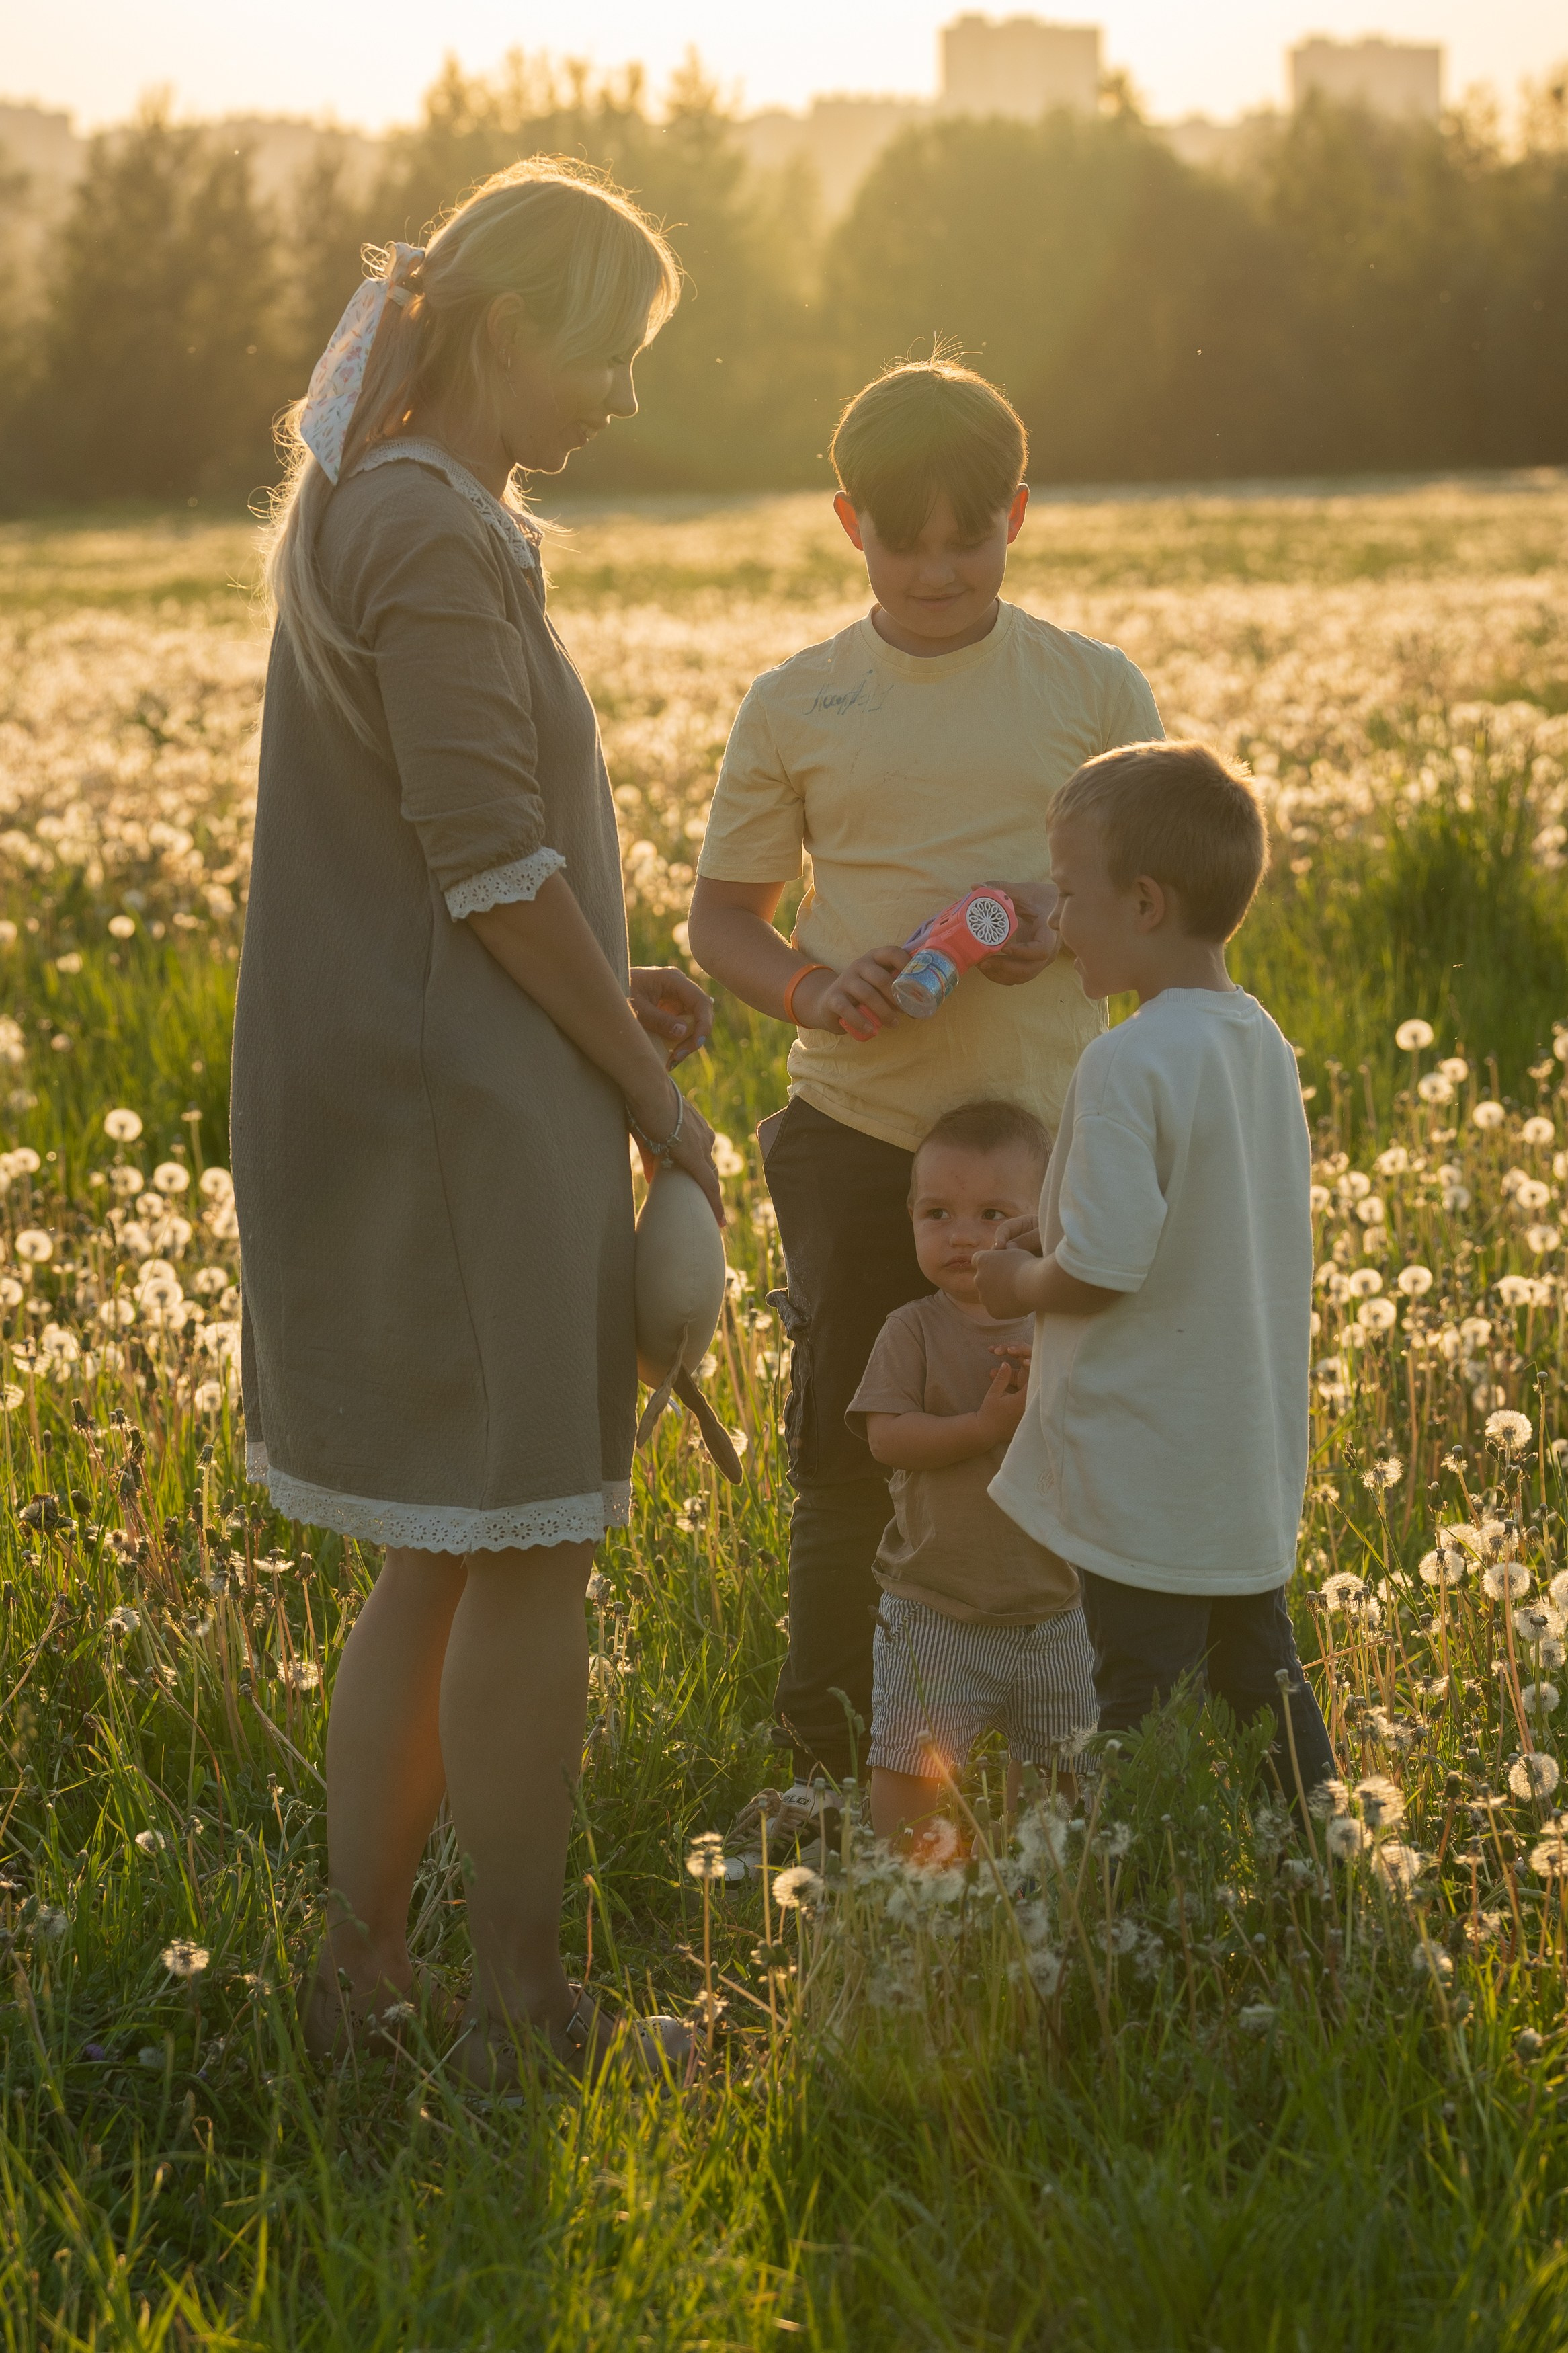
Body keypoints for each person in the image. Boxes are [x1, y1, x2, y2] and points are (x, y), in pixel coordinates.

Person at [235, 159, 722, 2082]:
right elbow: (488, 870)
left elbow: (483, 875)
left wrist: (608, 982)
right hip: (467, 1121)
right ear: (511, 328)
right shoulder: (439, 532)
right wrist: (645, 1083)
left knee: (436, 1547)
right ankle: (519, 2009)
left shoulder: (381, 499)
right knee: (525, 1548)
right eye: (612, 352)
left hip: (433, 1080)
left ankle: (363, 1982)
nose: (621, 397)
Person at [687, 357, 1161, 1806]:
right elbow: (723, 920)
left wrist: (1050, 929)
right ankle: (827, 1762)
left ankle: (1089, 1751)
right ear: (850, 526)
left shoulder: (1093, 688)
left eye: (972, 534)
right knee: (847, 1451)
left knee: (1069, 1426)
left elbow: (1152, 917)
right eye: (908, 540)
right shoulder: (798, 699)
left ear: (1018, 513)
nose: (941, 566)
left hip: (1046, 1141)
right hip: (854, 1129)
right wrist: (811, 987)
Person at [976, 740, 1336, 1810]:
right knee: (1258, 1669)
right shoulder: (1258, 1040)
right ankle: (1320, 1854)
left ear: (1141, 904)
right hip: (1240, 1442)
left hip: (1147, 1448)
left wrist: (1016, 1283)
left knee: (1134, 1685)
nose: (1057, 918)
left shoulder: (1128, 1059)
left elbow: (1101, 1266)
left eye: (1067, 893)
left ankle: (1135, 1891)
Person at [845, 1101, 1097, 1844]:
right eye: (936, 1213)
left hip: (1058, 1601)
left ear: (1042, 1222)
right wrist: (982, 1428)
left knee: (1065, 1768)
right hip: (936, 1604)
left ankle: (1043, 1887)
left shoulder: (1063, 1326)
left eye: (991, 1213)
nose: (960, 1234)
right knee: (908, 1765)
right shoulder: (911, 1329)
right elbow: (887, 1437)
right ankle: (909, 1893)